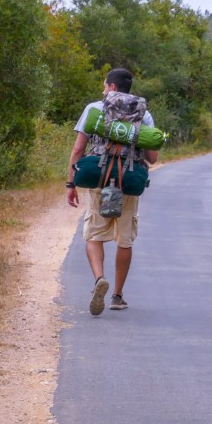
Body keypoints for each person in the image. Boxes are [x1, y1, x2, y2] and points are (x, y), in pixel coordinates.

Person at [66, 68, 159, 316]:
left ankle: (99, 279)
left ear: (113, 88)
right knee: (125, 239)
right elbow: (152, 157)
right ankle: (117, 296)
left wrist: (71, 183)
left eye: (105, 86)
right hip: (128, 182)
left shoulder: (94, 109)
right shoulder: (144, 114)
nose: (103, 90)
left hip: (100, 179)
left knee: (94, 235)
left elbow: (77, 150)